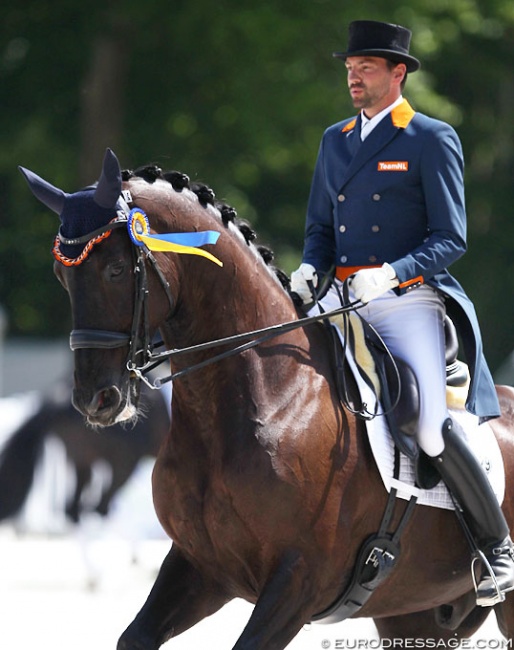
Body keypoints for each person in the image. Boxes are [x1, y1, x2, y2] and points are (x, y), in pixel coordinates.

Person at [290, 19, 514, 606]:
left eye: (365, 68)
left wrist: (393, 272)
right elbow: (319, 227)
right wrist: (311, 266)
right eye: (349, 68)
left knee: (426, 424)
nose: (353, 78)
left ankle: (496, 545)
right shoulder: (334, 140)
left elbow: (451, 237)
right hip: (338, 296)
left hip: (406, 299)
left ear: (398, 73)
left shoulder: (429, 137)